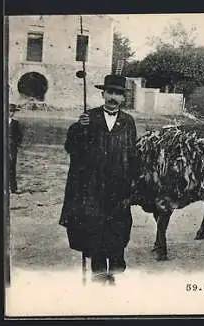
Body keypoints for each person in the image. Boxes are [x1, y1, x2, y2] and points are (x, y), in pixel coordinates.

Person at [59, 74, 138, 285]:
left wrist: (133, 184)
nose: (113, 97)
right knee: (95, 232)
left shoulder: (128, 122)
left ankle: (117, 273)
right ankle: (99, 277)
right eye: (110, 92)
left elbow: (132, 155)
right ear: (103, 94)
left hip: (119, 188)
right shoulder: (89, 118)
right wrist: (78, 129)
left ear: (123, 98)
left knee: (118, 231)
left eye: (118, 94)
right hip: (93, 187)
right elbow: (72, 148)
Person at [8, 104, 23, 194]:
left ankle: (13, 188)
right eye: (10, 111)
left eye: (13, 111)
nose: (11, 113)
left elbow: (20, 136)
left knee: (12, 167)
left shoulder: (15, 123)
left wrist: (16, 144)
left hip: (12, 148)